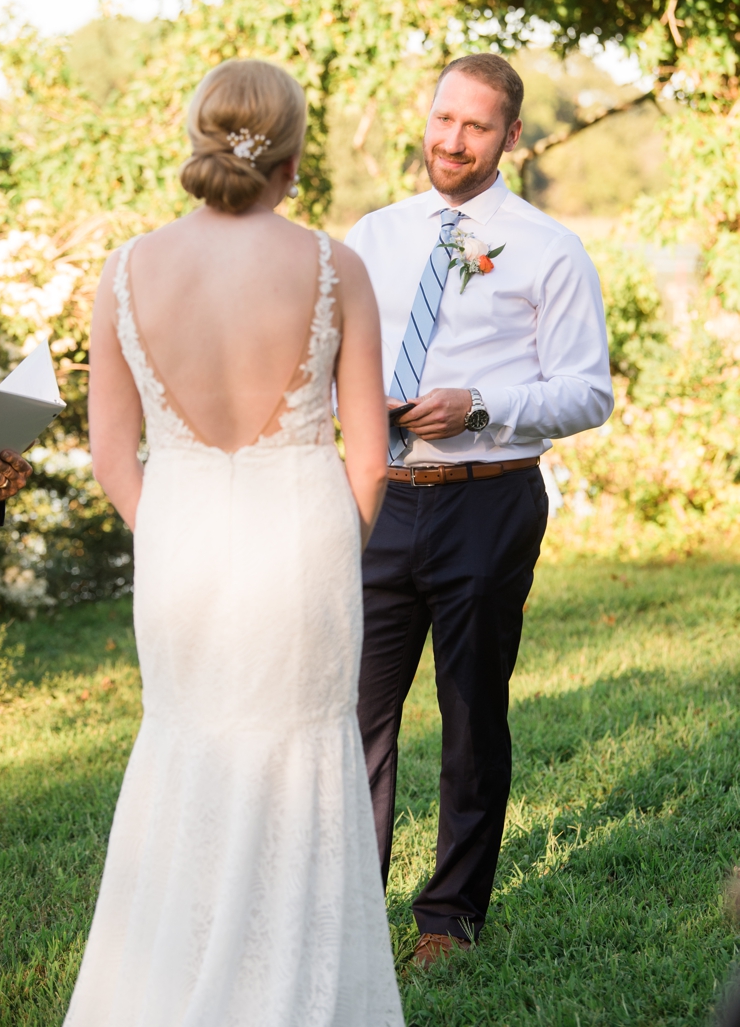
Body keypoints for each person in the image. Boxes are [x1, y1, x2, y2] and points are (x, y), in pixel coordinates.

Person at [73, 58, 399, 1025]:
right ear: (292, 154)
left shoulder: (128, 268)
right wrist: (334, 537)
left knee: (186, 753)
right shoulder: (335, 265)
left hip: (179, 543)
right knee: (303, 762)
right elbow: (372, 458)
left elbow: (108, 453)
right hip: (302, 540)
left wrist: (173, 528)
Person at [345, 53, 613, 966]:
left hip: (487, 501)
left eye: (474, 126)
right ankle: (345, 903)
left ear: (511, 138)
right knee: (355, 715)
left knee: (470, 713)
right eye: (442, 118)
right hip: (378, 496)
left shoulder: (549, 249)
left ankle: (447, 919)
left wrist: (482, 406)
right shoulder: (373, 237)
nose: (450, 140)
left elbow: (587, 393)